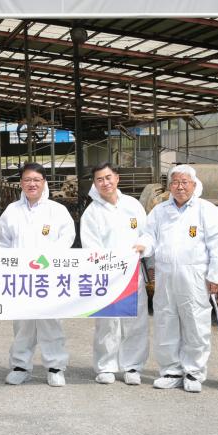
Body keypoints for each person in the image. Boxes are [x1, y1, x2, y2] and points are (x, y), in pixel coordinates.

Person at [142, 164, 218, 393]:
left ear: (194, 184)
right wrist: (145, 251)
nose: (180, 187)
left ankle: (193, 372)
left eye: (184, 182)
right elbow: (149, 236)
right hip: (166, 274)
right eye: (175, 182)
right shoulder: (160, 211)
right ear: (169, 186)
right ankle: (170, 370)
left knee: (195, 323)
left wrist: (216, 275)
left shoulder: (206, 210)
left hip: (195, 276)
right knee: (165, 321)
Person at [0, 163, 75, 387]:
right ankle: (21, 366)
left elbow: (67, 238)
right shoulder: (12, 210)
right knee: (23, 324)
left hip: (48, 276)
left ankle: (55, 367)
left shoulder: (56, 210)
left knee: (51, 322)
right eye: (27, 180)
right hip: (20, 277)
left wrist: (47, 261)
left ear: (44, 183)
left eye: (36, 180)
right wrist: (15, 264)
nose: (32, 184)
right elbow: (3, 242)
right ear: (21, 183)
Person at [80, 162, 149, 386]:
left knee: (135, 320)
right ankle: (106, 366)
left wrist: (143, 246)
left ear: (117, 178)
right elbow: (91, 246)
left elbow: (147, 234)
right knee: (107, 323)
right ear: (94, 183)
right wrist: (107, 264)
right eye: (99, 179)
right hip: (106, 277)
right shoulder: (92, 213)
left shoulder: (133, 205)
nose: (105, 183)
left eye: (108, 177)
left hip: (132, 274)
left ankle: (132, 366)